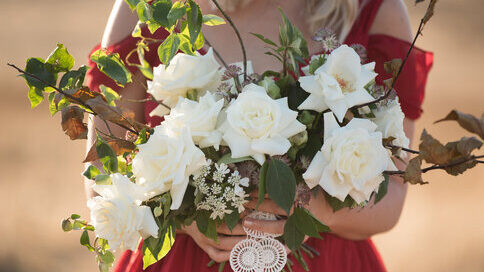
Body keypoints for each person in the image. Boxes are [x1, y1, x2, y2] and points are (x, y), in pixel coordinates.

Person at [85, 0, 433, 271]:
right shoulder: (148, 8)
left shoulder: (375, 10)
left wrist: (315, 211)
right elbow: (102, 171)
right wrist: (187, 217)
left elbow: (392, 194)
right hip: (182, 261)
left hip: (324, 262)